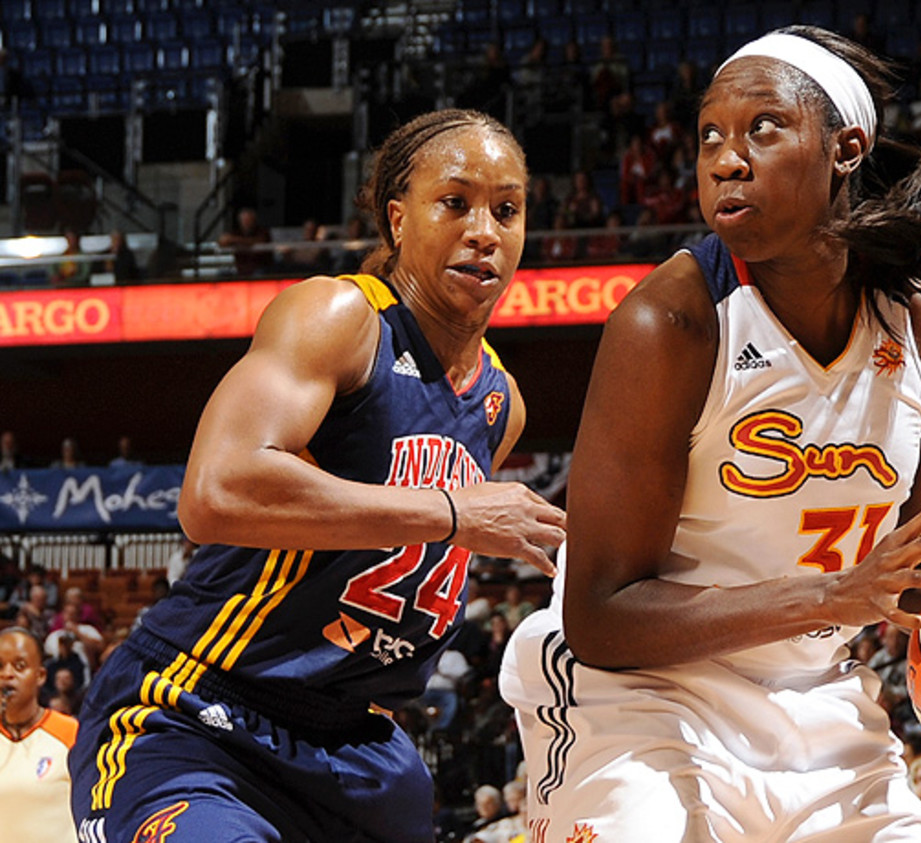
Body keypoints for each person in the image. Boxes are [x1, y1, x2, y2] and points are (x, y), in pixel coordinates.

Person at [500, 25, 921, 842]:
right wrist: (829, 597)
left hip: (822, 706)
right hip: (634, 694)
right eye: (710, 136)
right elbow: (599, 615)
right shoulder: (671, 320)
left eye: (762, 128)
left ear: (846, 147)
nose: (725, 159)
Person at [68, 109, 566, 843]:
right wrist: (452, 512)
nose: (484, 230)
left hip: (359, 754)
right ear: (398, 220)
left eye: (507, 209)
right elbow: (215, 491)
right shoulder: (341, 316)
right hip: (203, 718)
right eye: (455, 203)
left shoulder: (502, 401)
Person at [0, 627, 79, 843]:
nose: (7, 674)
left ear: (40, 675)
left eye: (19, 666)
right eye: (0, 666)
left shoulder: (70, 733)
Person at [218, 206, 272, 277]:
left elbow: (259, 241)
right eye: (244, 220)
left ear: (254, 220)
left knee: (259, 274)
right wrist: (228, 239)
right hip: (241, 269)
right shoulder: (237, 232)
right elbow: (222, 241)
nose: (246, 222)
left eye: (248, 220)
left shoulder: (262, 231)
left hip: (259, 268)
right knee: (222, 273)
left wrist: (236, 240)